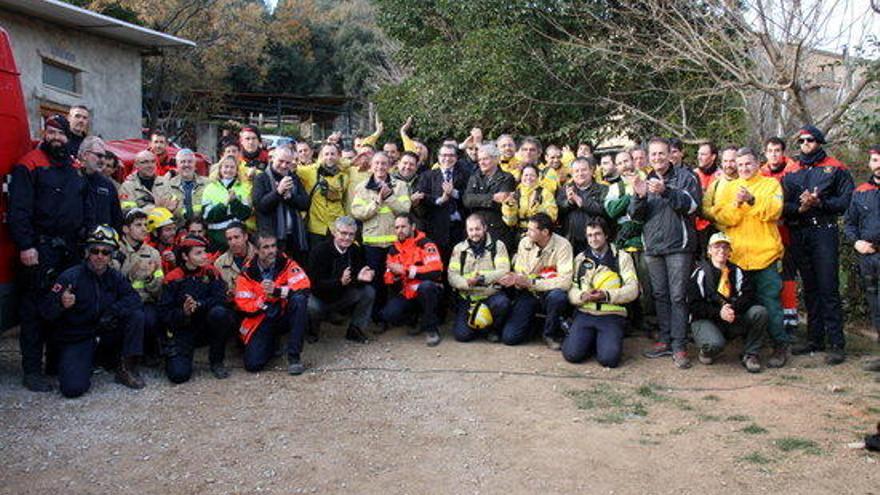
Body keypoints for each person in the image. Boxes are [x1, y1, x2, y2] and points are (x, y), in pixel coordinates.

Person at [9, 114, 94, 392]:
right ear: (44, 133)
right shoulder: (29, 164)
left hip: (69, 249)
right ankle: (32, 371)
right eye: (52, 133)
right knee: (34, 311)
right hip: (39, 249)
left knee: (63, 305)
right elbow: (18, 210)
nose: (57, 138)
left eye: (61, 134)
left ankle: (55, 364)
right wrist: (25, 246)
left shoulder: (72, 167)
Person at [709, 147, 791, 367]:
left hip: (765, 257)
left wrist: (752, 200)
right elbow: (722, 218)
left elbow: (774, 211)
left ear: (757, 163)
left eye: (748, 164)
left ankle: (780, 346)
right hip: (737, 260)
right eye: (740, 164)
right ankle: (751, 350)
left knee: (770, 304)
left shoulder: (770, 184)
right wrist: (736, 203)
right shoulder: (729, 188)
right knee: (741, 306)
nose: (744, 168)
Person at [41, 225, 146, 397]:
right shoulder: (70, 277)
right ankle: (85, 362)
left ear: (111, 256)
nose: (99, 256)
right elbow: (46, 312)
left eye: (105, 252)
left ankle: (127, 368)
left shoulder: (115, 277)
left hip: (105, 332)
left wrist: (112, 311)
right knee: (72, 389)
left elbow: (134, 299)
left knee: (136, 316)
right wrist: (61, 304)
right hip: (79, 337)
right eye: (95, 251)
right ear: (87, 253)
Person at [630, 137, 702, 369]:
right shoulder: (645, 179)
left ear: (670, 155)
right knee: (659, 295)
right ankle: (665, 339)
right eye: (654, 154)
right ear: (648, 157)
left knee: (678, 296)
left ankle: (680, 345)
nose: (658, 158)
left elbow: (693, 206)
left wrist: (666, 191)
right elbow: (635, 217)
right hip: (652, 246)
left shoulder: (686, 177)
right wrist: (639, 197)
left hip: (678, 247)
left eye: (662, 154)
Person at [784, 125, 854, 364]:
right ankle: (815, 339)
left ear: (819, 142)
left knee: (828, 287)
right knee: (810, 288)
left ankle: (836, 343)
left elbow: (846, 202)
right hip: (800, 231)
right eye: (801, 140)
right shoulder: (791, 170)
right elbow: (783, 204)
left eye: (810, 140)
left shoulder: (836, 168)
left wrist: (819, 202)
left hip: (824, 230)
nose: (805, 144)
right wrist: (800, 207)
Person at [158, 234, 234, 383]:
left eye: (204, 252)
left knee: (220, 313)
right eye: (198, 253)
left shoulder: (211, 273)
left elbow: (221, 299)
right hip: (183, 329)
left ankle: (216, 361)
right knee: (178, 375)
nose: (204, 256)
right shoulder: (173, 278)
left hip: (206, 325)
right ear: (185, 256)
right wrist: (184, 312)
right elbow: (164, 313)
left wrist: (199, 304)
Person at [688, 232, 768, 373]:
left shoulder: (737, 271)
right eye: (717, 246)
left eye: (725, 247)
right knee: (714, 344)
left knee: (759, 312)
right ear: (709, 250)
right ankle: (706, 350)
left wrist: (731, 309)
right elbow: (694, 305)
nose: (721, 250)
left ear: (730, 252)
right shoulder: (699, 274)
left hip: (732, 316)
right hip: (706, 318)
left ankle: (750, 354)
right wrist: (719, 312)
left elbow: (749, 296)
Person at [564, 219, 639, 367]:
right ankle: (590, 339)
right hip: (585, 312)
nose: (593, 239)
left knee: (609, 360)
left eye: (597, 234)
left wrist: (606, 295)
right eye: (590, 235)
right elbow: (571, 287)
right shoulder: (580, 259)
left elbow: (633, 289)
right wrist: (581, 296)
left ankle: (602, 340)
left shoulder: (622, 257)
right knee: (572, 355)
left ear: (606, 235)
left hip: (612, 315)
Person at [234, 233, 310, 375]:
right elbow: (244, 304)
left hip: (283, 314)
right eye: (266, 247)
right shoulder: (247, 272)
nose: (272, 251)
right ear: (256, 250)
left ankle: (294, 357)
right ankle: (272, 343)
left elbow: (304, 288)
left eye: (274, 246)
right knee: (253, 365)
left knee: (299, 300)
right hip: (262, 318)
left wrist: (277, 291)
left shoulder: (286, 263)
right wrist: (264, 300)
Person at [350, 152, 412, 321]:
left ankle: (397, 316)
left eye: (384, 163)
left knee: (398, 280)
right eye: (376, 163)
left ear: (390, 165)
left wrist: (389, 197)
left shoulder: (400, 186)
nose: (380, 167)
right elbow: (357, 212)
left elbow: (405, 210)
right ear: (371, 165)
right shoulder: (362, 187)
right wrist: (377, 202)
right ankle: (376, 317)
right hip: (372, 243)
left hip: (395, 242)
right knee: (375, 281)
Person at [499, 213, 573, 349]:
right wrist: (516, 279)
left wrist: (533, 283)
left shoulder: (563, 245)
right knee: (510, 338)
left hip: (549, 294)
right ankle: (533, 325)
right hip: (528, 293)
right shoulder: (524, 242)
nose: (527, 233)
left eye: (531, 230)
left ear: (545, 232)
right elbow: (520, 270)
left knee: (558, 297)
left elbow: (565, 281)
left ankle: (549, 334)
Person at [307, 216, 376, 343]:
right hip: (320, 297)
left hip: (343, 296)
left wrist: (362, 277)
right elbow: (314, 285)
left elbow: (357, 275)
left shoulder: (355, 250)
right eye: (343, 233)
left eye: (351, 234)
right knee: (311, 306)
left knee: (368, 291)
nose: (347, 238)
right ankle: (312, 330)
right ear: (334, 232)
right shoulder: (319, 251)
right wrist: (339, 282)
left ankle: (355, 330)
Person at [380, 214, 444, 346]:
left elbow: (435, 270)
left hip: (428, 291)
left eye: (403, 226)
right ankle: (414, 320)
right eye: (397, 227)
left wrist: (406, 271)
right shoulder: (393, 249)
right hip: (408, 294)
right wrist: (394, 275)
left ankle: (431, 329)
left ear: (413, 227)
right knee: (388, 314)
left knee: (426, 287)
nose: (400, 230)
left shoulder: (426, 244)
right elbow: (388, 278)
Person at [448, 214, 512, 342]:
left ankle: (492, 330)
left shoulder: (497, 246)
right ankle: (478, 326)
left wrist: (482, 279)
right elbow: (452, 275)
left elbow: (504, 270)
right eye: (470, 230)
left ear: (485, 228)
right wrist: (466, 283)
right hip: (468, 297)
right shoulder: (459, 249)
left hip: (490, 296)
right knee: (462, 336)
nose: (474, 233)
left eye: (477, 229)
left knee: (502, 303)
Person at [761, 137, 802, 333]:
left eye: (777, 150)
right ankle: (769, 319)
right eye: (770, 150)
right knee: (767, 277)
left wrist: (781, 212)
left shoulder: (793, 172)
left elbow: (798, 204)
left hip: (788, 230)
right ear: (765, 152)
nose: (774, 154)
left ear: (783, 152)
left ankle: (790, 318)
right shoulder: (760, 173)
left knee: (787, 275)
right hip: (765, 233)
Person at [114, 209, 164, 360]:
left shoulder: (153, 254)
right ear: (125, 229)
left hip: (145, 301)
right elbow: (109, 285)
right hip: (121, 303)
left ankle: (146, 350)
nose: (144, 228)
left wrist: (150, 279)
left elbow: (159, 290)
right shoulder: (114, 251)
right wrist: (129, 274)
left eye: (146, 224)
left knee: (149, 319)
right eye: (138, 225)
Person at [844, 146, 880, 347]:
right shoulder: (860, 193)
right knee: (875, 306)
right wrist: (856, 242)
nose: (879, 165)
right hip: (868, 257)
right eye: (875, 160)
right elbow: (849, 223)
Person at [252, 147, 309, 262]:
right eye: (281, 161)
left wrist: (291, 197)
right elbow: (260, 206)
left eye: (288, 162)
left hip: (294, 235)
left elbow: (305, 204)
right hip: (272, 237)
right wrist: (278, 192)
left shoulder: (293, 177)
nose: (284, 165)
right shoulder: (261, 178)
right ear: (272, 159)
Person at [463, 143, 517, 253]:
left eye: (485, 159)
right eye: (479, 160)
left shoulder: (507, 178)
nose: (481, 162)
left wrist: (477, 199)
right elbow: (467, 200)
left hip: (497, 229)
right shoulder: (475, 176)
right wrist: (492, 197)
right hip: (476, 230)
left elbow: (502, 201)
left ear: (496, 159)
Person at [419, 145, 469, 258]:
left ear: (456, 158)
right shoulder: (427, 175)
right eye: (444, 155)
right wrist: (440, 200)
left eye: (451, 155)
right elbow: (422, 197)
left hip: (459, 228)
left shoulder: (465, 175)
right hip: (436, 229)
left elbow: (469, 196)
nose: (447, 158)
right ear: (438, 157)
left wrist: (454, 193)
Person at [297, 143, 349, 246]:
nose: (329, 157)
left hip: (337, 226)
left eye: (332, 154)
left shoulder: (344, 176)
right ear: (321, 156)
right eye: (326, 154)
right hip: (317, 227)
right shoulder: (311, 171)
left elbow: (350, 162)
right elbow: (293, 167)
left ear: (338, 156)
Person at [556, 157, 608, 255]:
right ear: (572, 173)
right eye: (576, 171)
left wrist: (581, 202)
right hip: (571, 241)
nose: (580, 174)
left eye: (584, 170)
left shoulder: (603, 189)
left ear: (591, 171)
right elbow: (558, 211)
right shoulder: (564, 189)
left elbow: (604, 211)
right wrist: (569, 203)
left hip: (596, 241)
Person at [202, 154, 254, 250]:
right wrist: (225, 204)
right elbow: (207, 216)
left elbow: (246, 214)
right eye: (226, 167)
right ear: (220, 169)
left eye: (232, 167)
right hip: (216, 237)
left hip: (238, 237)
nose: (229, 170)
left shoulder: (243, 188)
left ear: (237, 170)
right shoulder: (210, 188)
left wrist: (234, 202)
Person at [79, 135, 123, 232]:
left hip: (101, 243)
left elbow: (117, 219)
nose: (102, 160)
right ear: (85, 155)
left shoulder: (107, 185)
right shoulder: (72, 180)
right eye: (99, 155)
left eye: (104, 156)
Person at [502, 164, 557, 236]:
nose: (529, 178)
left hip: (539, 233)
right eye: (526, 175)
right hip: (519, 232)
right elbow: (510, 222)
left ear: (537, 177)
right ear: (521, 177)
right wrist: (510, 207)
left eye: (532, 175)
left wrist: (537, 211)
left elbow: (552, 216)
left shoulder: (545, 193)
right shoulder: (515, 194)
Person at [154, 149, 207, 223]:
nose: (186, 165)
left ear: (195, 164)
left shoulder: (208, 184)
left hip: (201, 230)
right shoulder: (167, 186)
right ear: (177, 165)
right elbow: (160, 214)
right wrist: (168, 209)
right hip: (177, 230)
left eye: (190, 162)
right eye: (182, 162)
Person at [700, 145, 739, 231]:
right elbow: (704, 210)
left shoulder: (747, 183)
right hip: (721, 237)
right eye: (725, 161)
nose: (728, 165)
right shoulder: (716, 184)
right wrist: (718, 214)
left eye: (732, 161)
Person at [214, 222, 256, 299]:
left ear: (245, 236)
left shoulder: (260, 256)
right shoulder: (219, 263)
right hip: (232, 305)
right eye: (229, 239)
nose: (233, 242)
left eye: (236, 237)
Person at [694, 141, 721, 251]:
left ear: (713, 156)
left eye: (703, 154)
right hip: (695, 227)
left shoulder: (722, 176)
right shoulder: (693, 175)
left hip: (715, 226)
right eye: (699, 154)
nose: (699, 157)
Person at [146, 207, 179, 274]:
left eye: (174, 229)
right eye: (168, 229)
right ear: (155, 232)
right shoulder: (145, 252)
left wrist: (174, 263)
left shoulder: (179, 248)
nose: (173, 233)